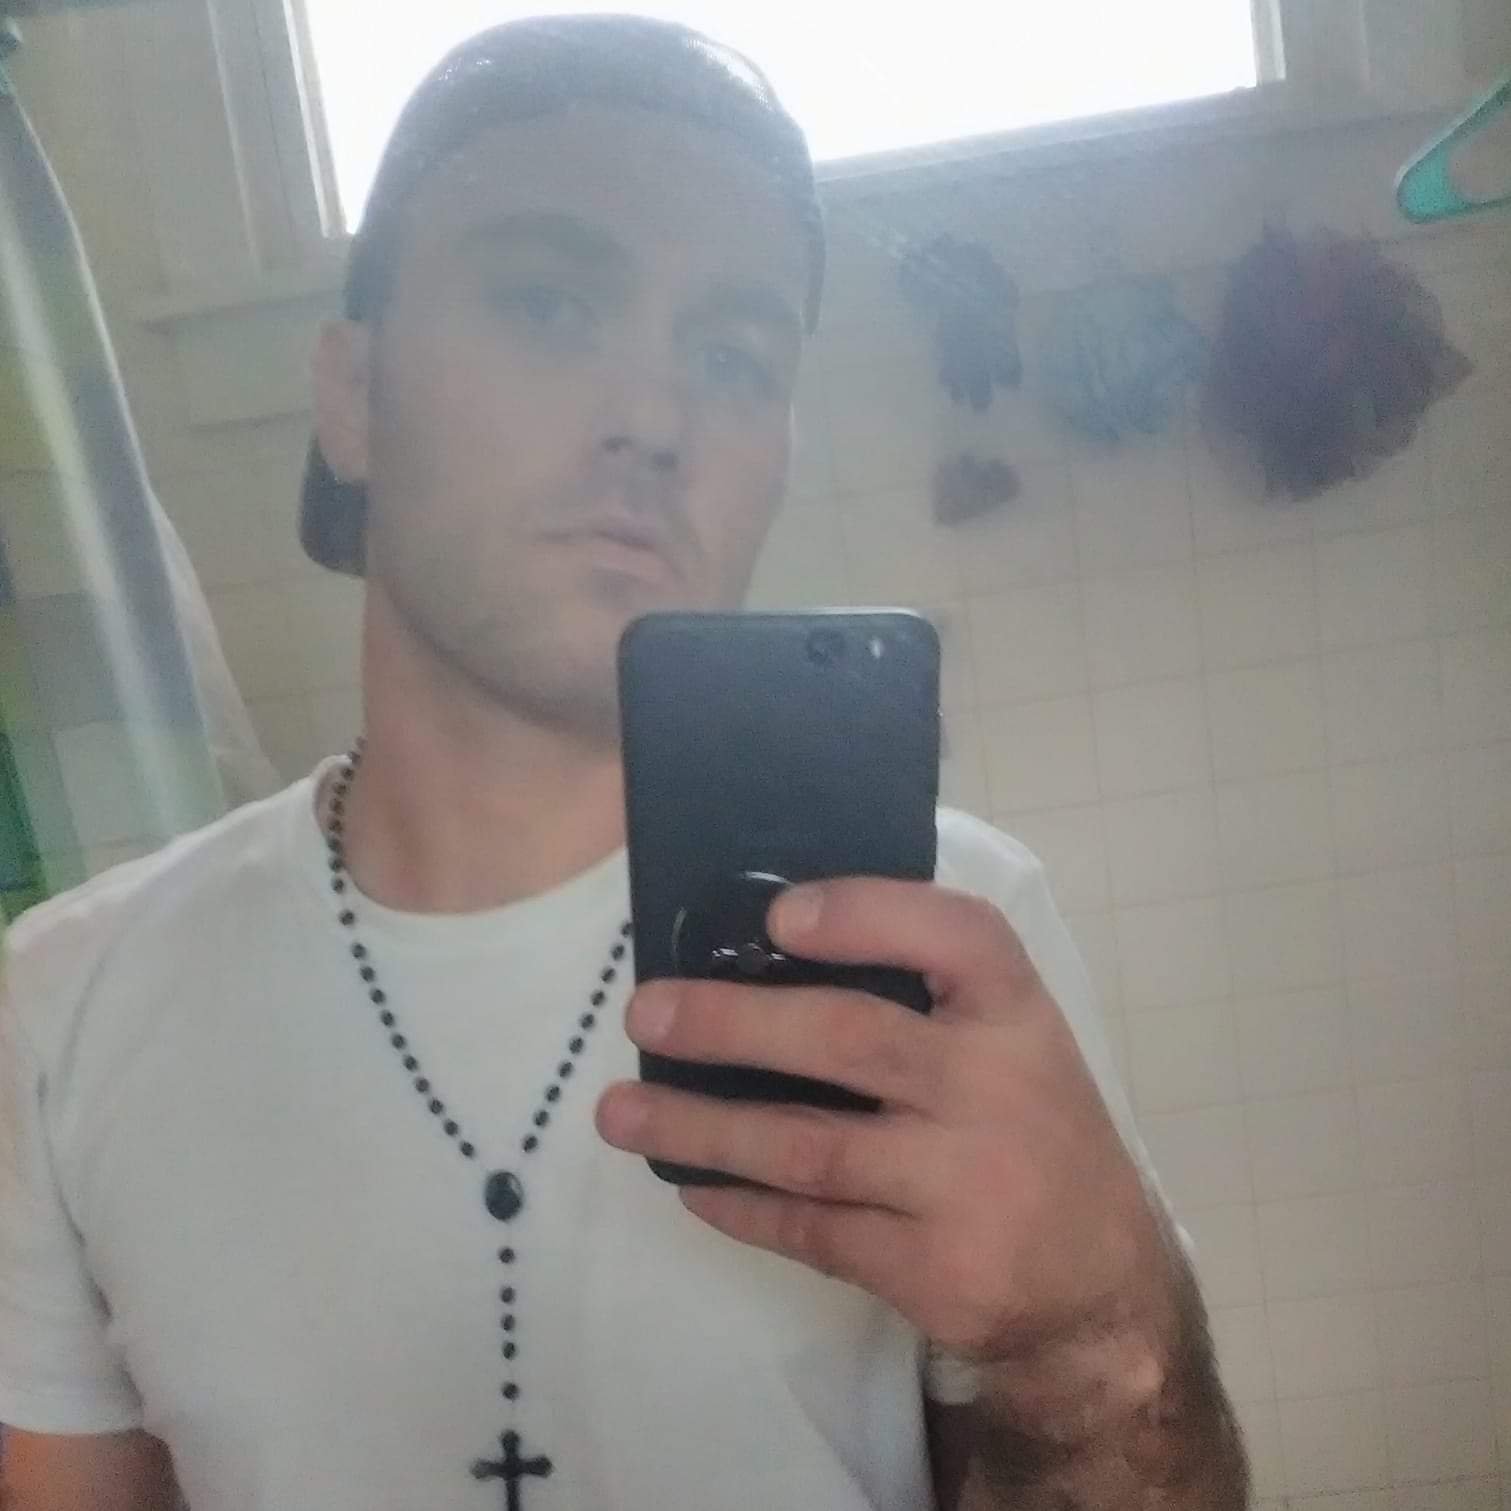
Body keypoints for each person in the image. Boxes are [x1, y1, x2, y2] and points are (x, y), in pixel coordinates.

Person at [0, 16, 1248, 1510]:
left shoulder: (946, 937)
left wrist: (1099, 1342)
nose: (655, 419)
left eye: (732, 356)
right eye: (547, 303)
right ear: (351, 396)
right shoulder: (63, 1006)